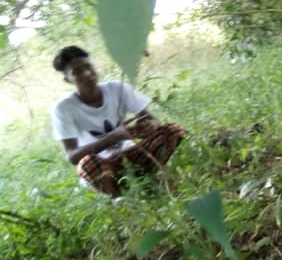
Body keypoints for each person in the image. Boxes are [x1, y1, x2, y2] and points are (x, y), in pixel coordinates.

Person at [50, 45, 185, 197]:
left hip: (133, 154)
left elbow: (152, 120)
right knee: (87, 164)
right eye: (77, 72)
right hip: (103, 165)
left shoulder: (117, 89)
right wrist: (114, 137)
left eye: (88, 67)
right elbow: (73, 156)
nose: (87, 74)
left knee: (172, 130)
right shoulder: (63, 108)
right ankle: (118, 199)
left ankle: (155, 176)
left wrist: (148, 127)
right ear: (68, 80)